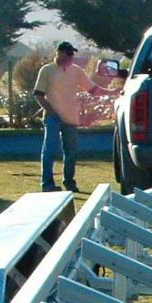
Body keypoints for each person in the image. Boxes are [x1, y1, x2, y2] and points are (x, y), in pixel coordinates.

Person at [33, 41, 115, 192]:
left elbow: (92, 89)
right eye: (69, 54)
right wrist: (50, 110)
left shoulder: (76, 71)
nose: (71, 57)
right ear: (59, 53)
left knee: (70, 151)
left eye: (72, 54)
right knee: (50, 150)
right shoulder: (47, 70)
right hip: (53, 117)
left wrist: (111, 92)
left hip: (71, 116)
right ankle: (47, 184)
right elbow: (38, 94)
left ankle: (69, 182)